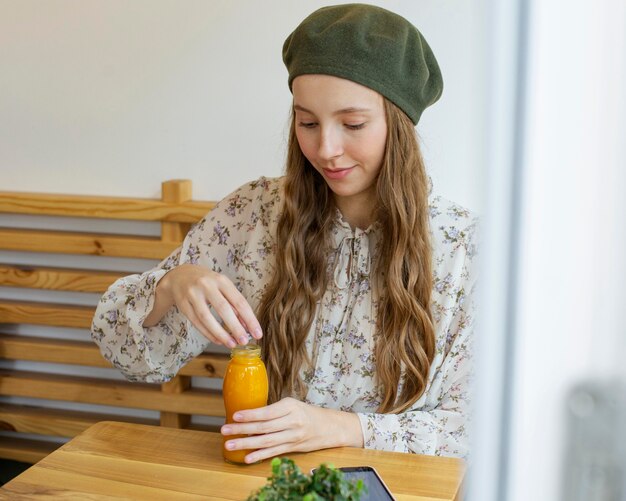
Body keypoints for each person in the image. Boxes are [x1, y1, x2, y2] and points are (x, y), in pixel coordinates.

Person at [92, 3, 478, 463]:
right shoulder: (250, 215)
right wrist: (170, 286)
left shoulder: (464, 248)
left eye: (353, 124)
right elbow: (129, 356)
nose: (325, 149)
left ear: (399, 125)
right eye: (307, 122)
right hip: (267, 484)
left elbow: (475, 429)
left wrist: (342, 428)